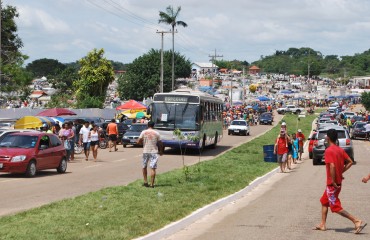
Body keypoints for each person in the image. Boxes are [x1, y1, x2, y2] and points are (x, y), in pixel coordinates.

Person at [314, 129, 366, 234]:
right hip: (336, 182)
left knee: (335, 207)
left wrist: (333, 180)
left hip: (332, 184)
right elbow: (350, 162)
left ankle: (356, 220)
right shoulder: (340, 150)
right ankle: (322, 224)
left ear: (328, 138)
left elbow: (332, 166)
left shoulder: (328, 150)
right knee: (324, 201)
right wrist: (340, 172)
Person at [137, 121, 163, 188]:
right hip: (154, 152)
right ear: (153, 126)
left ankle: (145, 182)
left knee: (144, 166)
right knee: (153, 168)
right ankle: (152, 184)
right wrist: (161, 151)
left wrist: (141, 143)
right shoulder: (157, 133)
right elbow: (160, 143)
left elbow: (138, 141)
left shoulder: (143, 132)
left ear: (147, 125)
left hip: (145, 151)